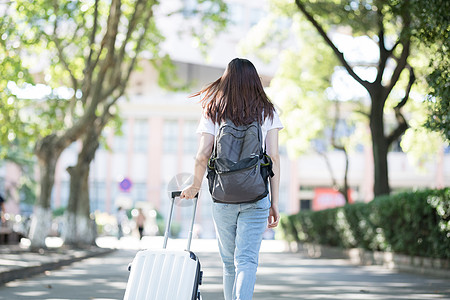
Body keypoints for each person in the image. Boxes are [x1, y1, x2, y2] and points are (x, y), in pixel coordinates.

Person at [181, 58, 283, 300]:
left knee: (229, 263)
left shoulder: (213, 110)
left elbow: (202, 155)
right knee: (246, 260)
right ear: (254, 81)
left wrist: (195, 186)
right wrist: (274, 202)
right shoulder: (267, 110)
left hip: (223, 196)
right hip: (257, 195)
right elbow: (274, 157)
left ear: (226, 80)